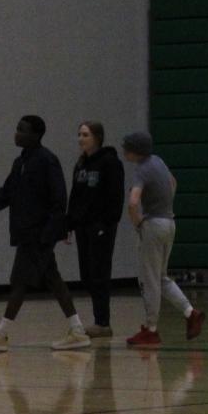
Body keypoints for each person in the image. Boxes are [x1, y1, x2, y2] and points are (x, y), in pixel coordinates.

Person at [0, 115, 92, 352]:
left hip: (39, 234)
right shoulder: (20, 162)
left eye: (22, 130)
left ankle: (0, 334)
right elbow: (5, 195)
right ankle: (78, 330)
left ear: (35, 135)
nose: (16, 133)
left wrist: (50, 233)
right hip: (27, 233)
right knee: (53, 279)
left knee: (19, 282)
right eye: (17, 128)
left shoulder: (47, 161)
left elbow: (59, 198)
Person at [123, 131, 204, 347]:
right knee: (161, 277)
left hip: (153, 225)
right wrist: (165, 206)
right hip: (169, 222)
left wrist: (138, 222)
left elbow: (132, 202)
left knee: (149, 281)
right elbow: (173, 182)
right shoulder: (158, 161)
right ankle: (190, 312)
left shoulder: (141, 170)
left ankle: (151, 330)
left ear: (133, 150)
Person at [67, 121, 125, 338]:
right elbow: (76, 196)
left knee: (99, 273)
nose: (81, 138)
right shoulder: (81, 164)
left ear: (97, 137)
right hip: (82, 226)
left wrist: (106, 223)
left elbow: (115, 197)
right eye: (79, 134)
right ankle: (99, 319)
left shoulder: (110, 163)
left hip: (101, 227)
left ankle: (102, 322)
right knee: (87, 275)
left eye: (85, 134)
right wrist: (69, 224)